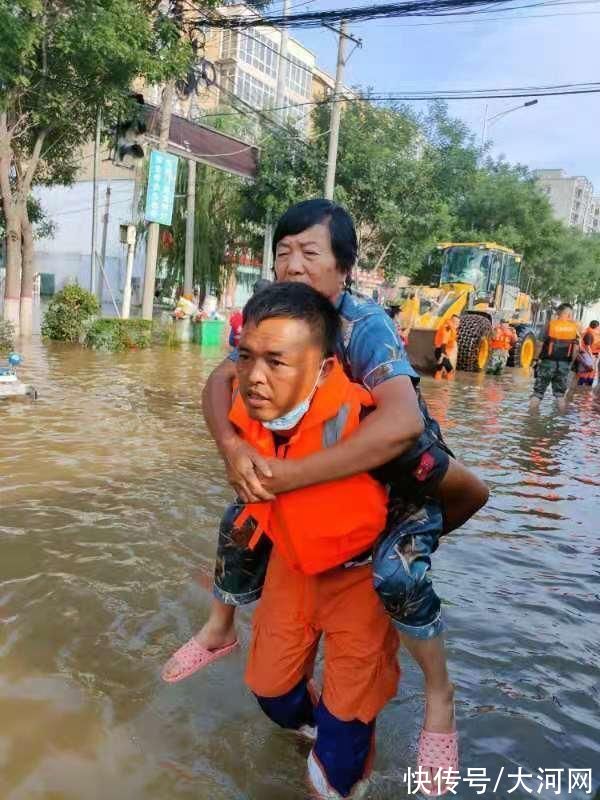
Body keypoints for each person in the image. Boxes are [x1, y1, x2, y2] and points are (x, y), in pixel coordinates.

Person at [162, 200, 488, 793]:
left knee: (398, 574)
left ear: (345, 268)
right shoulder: (280, 314)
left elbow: (403, 426)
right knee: (240, 518)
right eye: (283, 251)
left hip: (390, 481)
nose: (292, 264)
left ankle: (438, 699)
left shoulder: (362, 327)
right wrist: (233, 452)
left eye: (309, 253)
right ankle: (220, 626)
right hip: (307, 526)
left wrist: (291, 476)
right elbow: (221, 380)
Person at [233, 282, 400, 799]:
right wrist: (225, 445)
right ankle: (315, 722)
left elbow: (466, 490)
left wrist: (409, 567)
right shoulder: (245, 403)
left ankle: (339, 750)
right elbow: (215, 395)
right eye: (246, 357)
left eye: (276, 362)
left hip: (361, 579)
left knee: (339, 752)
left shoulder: (371, 421)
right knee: (271, 694)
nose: (255, 377)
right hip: (295, 565)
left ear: (324, 368)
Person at [530, 303, 579, 412]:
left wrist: (535, 359)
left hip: (547, 363)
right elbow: (576, 349)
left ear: (558, 313)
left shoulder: (549, 325)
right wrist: (570, 363)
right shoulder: (574, 329)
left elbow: (539, 344)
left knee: (537, 393)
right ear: (569, 314)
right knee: (560, 395)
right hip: (564, 364)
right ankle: (560, 421)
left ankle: (531, 421)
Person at [433, 316, 459, 381]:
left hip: (440, 351)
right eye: (455, 322)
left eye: (458, 322)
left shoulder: (447, 327)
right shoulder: (447, 328)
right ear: (451, 321)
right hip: (441, 351)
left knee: (440, 369)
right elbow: (444, 342)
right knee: (449, 370)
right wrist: (443, 354)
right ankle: (449, 386)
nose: (457, 324)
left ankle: (437, 384)